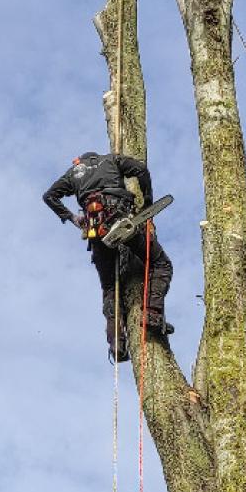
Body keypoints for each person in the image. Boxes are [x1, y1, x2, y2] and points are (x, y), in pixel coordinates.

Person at [43, 151, 173, 362]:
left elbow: (49, 196)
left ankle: (116, 342)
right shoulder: (111, 159)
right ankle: (153, 314)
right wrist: (147, 200)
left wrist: (72, 218)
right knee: (160, 263)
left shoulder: (73, 173)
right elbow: (140, 169)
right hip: (118, 216)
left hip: (96, 230)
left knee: (111, 287)